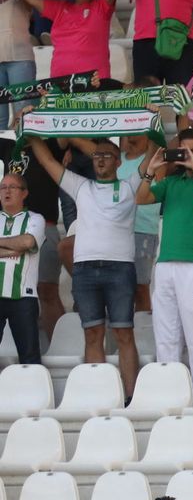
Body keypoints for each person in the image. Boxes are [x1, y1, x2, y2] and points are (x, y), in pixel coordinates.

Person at [24, 138, 139, 380]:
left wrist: (151, 118)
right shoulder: (81, 186)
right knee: (92, 334)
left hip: (120, 268)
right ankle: (98, 393)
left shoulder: (130, 185)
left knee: (124, 334)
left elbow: (154, 148)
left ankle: (131, 399)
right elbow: (46, 159)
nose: (100, 158)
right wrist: (32, 132)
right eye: (96, 155)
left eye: (107, 155)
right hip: (85, 269)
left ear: (118, 162)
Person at [136, 129, 193, 402]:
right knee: (166, 337)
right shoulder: (171, 183)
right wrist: (151, 170)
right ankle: (170, 396)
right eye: (183, 151)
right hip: (165, 266)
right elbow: (141, 198)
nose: (187, 156)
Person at [0, 171, 42, 364]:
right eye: (3, 187)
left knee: (30, 357)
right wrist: (12, 248)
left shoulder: (35, 219)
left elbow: (27, 242)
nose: (6, 191)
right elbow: (21, 244)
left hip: (24, 297)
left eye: (12, 187)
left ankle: (35, 394)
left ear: (24, 193)